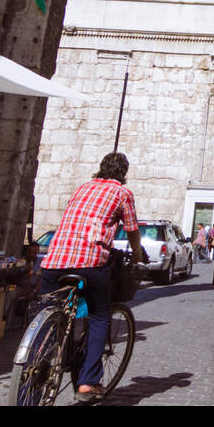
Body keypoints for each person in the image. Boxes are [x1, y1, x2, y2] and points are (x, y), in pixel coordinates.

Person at [39, 152, 145, 403]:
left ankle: (40, 356)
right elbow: (131, 230)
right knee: (99, 315)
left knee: (50, 310)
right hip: (89, 263)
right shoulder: (122, 193)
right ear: (124, 173)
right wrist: (138, 253)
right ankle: (87, 383)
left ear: (100, 168)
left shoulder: (82, 188)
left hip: (53, 262)